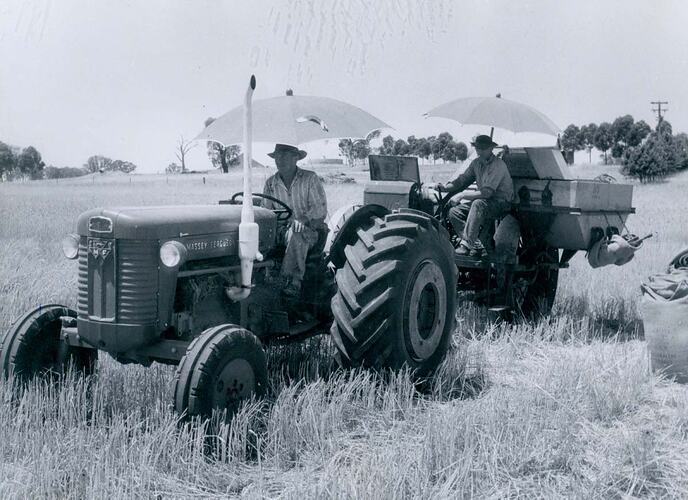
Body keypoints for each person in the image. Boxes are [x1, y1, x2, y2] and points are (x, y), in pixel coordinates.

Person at [261, 143, 328, 299]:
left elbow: (320, 211)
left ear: (296, 158)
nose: (280, 160)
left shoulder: (309, 178)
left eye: (284, 155)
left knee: (296, 232)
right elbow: (266, 212)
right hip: (281, 230)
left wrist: (302, 220)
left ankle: (291, 282)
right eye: (277, 156)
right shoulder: (270, 183)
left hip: (311, 230)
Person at [435, 134, 514, 257]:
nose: (479, 151)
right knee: (454, 212)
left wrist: (462, 195)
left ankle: (467, 244)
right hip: (486, 202)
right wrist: (445, 187)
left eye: (483, 148)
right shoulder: (476, 163)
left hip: (501, 202)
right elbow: (462, 180)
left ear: (490, 149)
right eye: (478, 148)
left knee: (477, 204)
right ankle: (477, 244)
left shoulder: (498, 165)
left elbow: (487, 193)